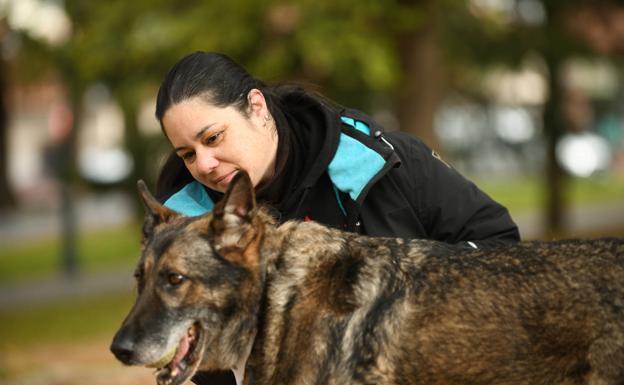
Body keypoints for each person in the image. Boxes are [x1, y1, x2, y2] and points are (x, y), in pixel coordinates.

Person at [154, 51, 520, 385]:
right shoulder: (188, 229)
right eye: (187, 154)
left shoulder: (387, 163)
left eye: (214, 138)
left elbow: (499, 249)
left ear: (257, 107)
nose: (203, 164)